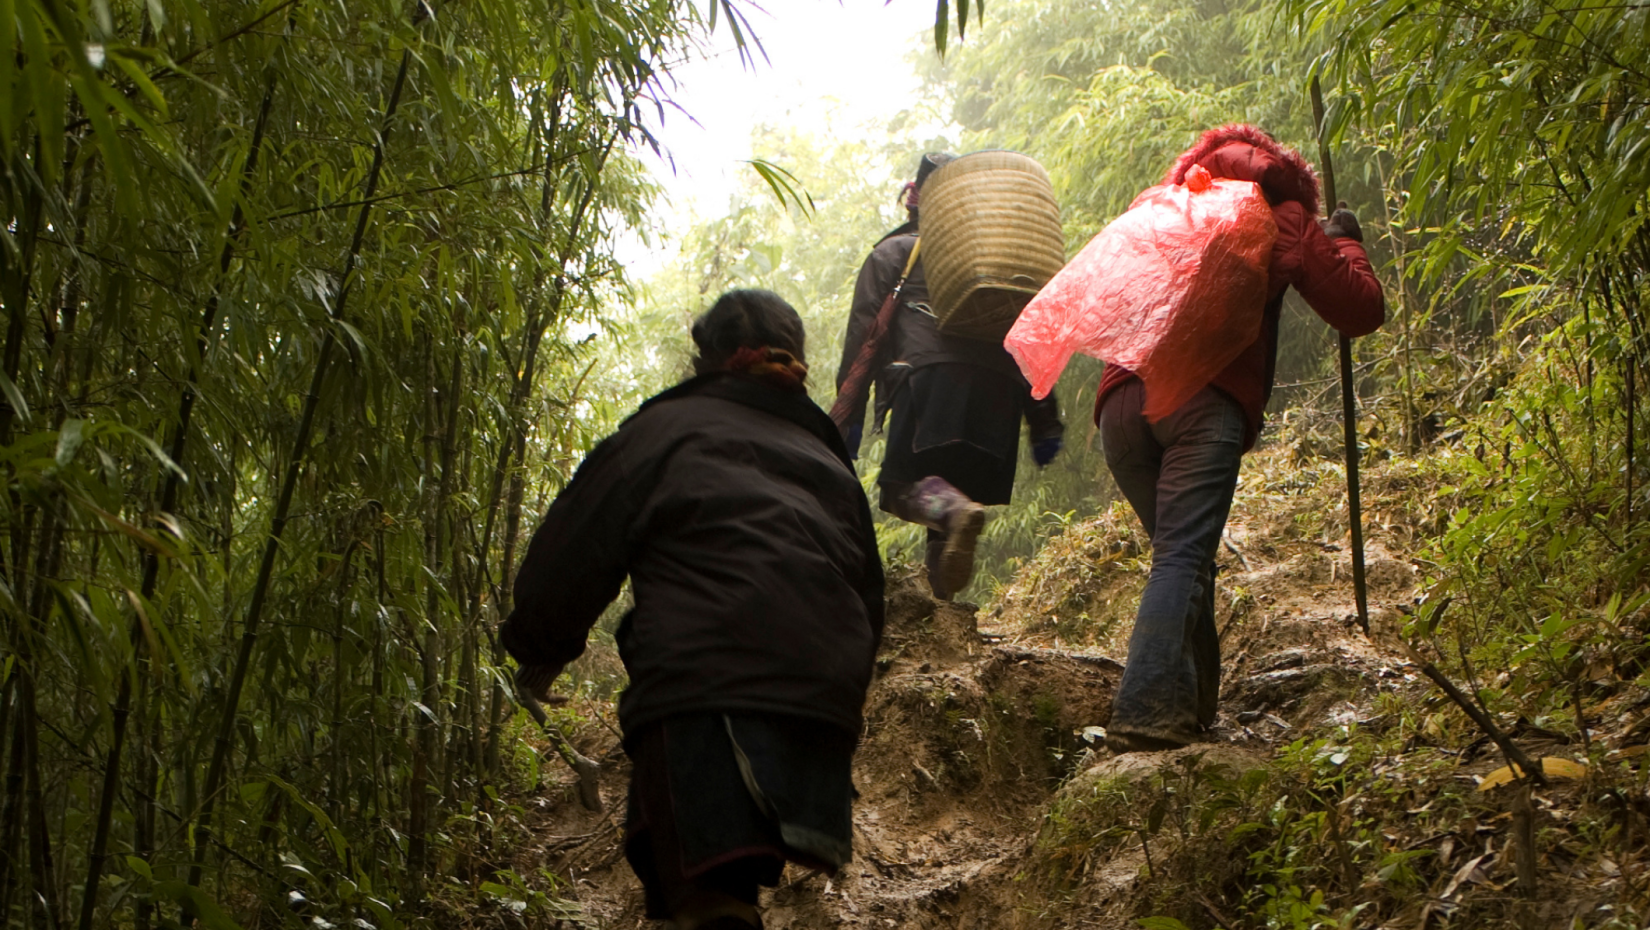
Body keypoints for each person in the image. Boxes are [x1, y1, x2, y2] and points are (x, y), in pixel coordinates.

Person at [500, 289, 885, 930]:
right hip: (821, 705)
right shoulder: (829, 462)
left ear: (706, 360)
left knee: (707, 899)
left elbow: (573, 548)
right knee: (723, 889)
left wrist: (540, 647)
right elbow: (867, 599)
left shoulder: (660, 433)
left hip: (708, 689)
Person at [1098, 124, 1385, 753]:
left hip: (1119, 406)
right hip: (1203, 401)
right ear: (1281, 174)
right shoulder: (1279, 216)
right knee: (1182, 557)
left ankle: (1192, 709)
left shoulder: (1166, 204)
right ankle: (1145, 708)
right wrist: (1345, 243)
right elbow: (1360, 309)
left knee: (1183, 557)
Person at [837, 152, 1065, 600]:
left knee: (906, 489)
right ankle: (942, 608)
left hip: (929, 383)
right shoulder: (993, 264)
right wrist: (1044, 421)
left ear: (918, 197)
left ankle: (953, 516)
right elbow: (1029, 334)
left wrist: (848, 416)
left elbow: (864, 338)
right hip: (1001, 391)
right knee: (948, 496)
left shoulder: (895, 253)